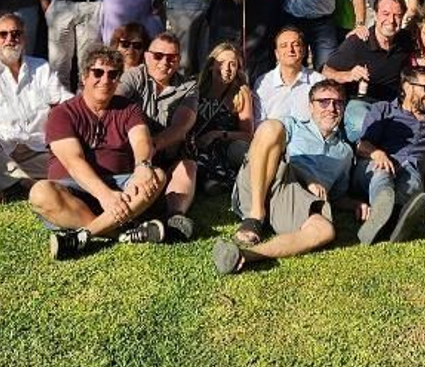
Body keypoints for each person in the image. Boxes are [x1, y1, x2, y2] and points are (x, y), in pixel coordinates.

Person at [29, 45, 169, 257]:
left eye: (113, 74)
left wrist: (143, 166)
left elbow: (142, 140)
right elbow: (73, 162)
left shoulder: (128, 109)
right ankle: (121, 232)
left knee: (156, 175)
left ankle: (82, 236)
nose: (105, 80)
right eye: (98, 72)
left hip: (121, 185)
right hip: (73, 191)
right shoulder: (62, 113)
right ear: (84, 77)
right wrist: (105, 196)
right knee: (39, 193)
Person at [213, 80, 354, 276]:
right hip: (267, 180)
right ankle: (255, 216)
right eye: (323, 102)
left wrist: (357, 206)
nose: (331, 108)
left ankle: (245, 255)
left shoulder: (345, 152)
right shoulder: (293, 125)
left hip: (295, 201)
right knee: (272, 127)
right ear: (310, 106)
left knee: (325, 230)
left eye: (337, 103)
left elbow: (337, 196)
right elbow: (264, 142)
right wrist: (308, 178)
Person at [353, 64, 425, 245]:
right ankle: (388, 210)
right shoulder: (383, 110)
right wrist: (378, 153)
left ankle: (389, 222)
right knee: (383, 173)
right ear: (407, 87)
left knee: (413, 179)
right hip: (373, 168)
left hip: (410, 172)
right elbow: (361, 145)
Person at [0, 13, 70, 203]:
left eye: (16, 34)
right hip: (2, 152)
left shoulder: (41, 68)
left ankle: (13, 181)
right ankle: (27, 185)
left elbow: (65, 101)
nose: (10, 40)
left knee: (71, 165)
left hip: (37, 149)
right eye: (3, 34)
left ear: (24, 36)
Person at [118, 31, 201, 239]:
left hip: (166, 156)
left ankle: (175, 217)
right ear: (146, 56)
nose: (165, 62)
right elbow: (116, 104)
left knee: (188, 166)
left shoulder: (189, 87)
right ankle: (131, 211)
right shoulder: (134, 76)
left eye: (172, 57)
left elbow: (181, 127)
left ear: (179, 60)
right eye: (158, 56)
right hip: (132, 156)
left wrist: (149, 148)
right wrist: (140, 156)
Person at [322, 0, 416, 140]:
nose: (391, 20)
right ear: (376, 15)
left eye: (397, 15)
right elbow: (326, 71)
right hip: (361, 102)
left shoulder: (405, 40)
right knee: (366, 125)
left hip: (391, 104)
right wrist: (348, 75)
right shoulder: (358, 42)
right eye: (385, 14)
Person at [192, 40, 256, 187]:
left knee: (239, 151)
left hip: (223, 145)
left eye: (232, 64)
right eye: (221, 62)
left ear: (238, 68)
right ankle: (212, 179)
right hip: (195, 143)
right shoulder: (195, 86)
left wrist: (218, 134)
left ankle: (215, 178)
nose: (226, 68)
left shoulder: (241, 93)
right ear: (211, 65)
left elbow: (247, 135)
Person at [253, 26, 315, 123]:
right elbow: (258, 123)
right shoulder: (263, 83)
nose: (290, 50)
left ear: (304, 51)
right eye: (284, 46)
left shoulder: (318, 81)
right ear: (277, 54)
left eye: (296, 45)